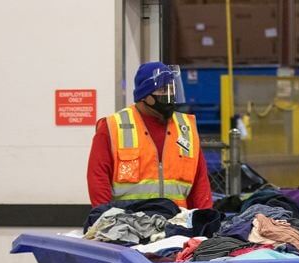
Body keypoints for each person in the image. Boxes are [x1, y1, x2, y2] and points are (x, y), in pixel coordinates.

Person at [87, 62, 212, 209]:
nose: (169, 95)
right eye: (162, 89)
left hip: (176, 223)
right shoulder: (112, 126)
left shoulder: (185, 128)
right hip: (128, 224)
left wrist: (205, 217)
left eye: (171, 89)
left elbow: (200, 181)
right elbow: (98, 177)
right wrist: (104, 218)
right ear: (144, 95)